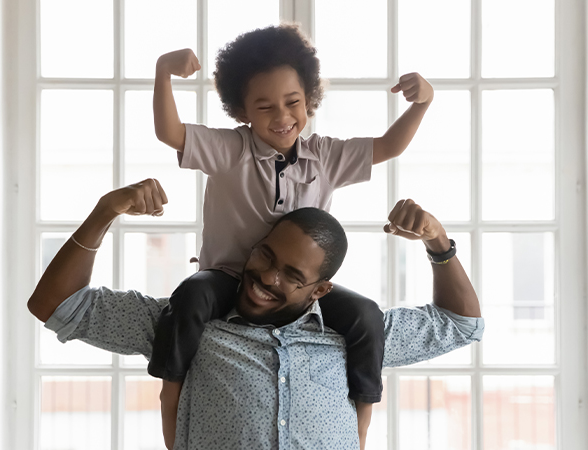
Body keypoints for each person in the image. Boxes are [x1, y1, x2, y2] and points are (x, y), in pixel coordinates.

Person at [27, 178, 484, 450]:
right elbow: (55, 305)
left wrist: (438, 244)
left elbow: (461, 324)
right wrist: (105, 212)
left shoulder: (356, 333)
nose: (266, 277)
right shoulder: (189, 321)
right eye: (264, 256)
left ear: (320, 290)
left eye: (291, 274)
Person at [151, 23, 435, 433]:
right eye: (265, 107)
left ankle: (361, 427)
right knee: (191, 296)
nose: (282, 117)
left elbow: (388, 145)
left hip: (299, 290)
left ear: (310, 101)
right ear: (243, 110)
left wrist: (422, 103)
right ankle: (170, 397)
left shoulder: (326, 155)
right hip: (230, 277)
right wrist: (163, 72)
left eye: (293, 102)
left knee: (366, 316)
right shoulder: (230, 149)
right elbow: (170, 133)